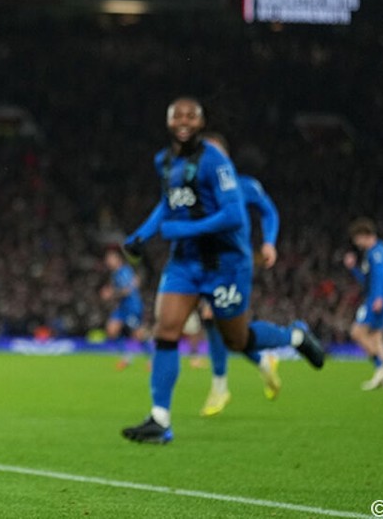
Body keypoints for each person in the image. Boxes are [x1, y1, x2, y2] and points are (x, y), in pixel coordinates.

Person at [119, 97, 325, 444]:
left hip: (226, 264)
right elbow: (167, 203)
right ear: (168, 122)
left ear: (200, 123)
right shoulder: (165, 161)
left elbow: (234, 216)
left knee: (237, 340)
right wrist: (141, 235)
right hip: (185, 262)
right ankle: (160, 419)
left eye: (191, 116)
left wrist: (183, 231)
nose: (183, 121)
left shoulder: (220, 166)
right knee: (165, 330)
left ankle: (295, 337)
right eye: (177, 116)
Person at [196, 132, 283, 416]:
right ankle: (262, 361)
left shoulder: (243, 186)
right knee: (229, 330)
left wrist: (269, 241)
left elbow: (269, 211)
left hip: (232, 265)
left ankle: (220, 387)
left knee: (214, 319)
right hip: (205, 262)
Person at [343, 217, 383, 390]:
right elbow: (366, 280)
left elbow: (381, 276)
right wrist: (353, 268)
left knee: (356, 332)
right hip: (381, 297)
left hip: (376, 299)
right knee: (376, 336)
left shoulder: (376, 252)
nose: (357, 243)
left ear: (364, 235)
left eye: (357, 239)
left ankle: (381, 367)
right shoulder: (379, 251)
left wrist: (378, 297)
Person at [99, 245, 148, 370]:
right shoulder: (115, 274)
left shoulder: (124, 272)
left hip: (132, 306)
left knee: (138, 335)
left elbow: (127, 290)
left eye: (110, 259)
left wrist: (111, 293)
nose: (108, 262)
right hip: (122, 307)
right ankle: (126, 357)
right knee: (112, 329)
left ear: (118, 259)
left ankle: (153, 359)